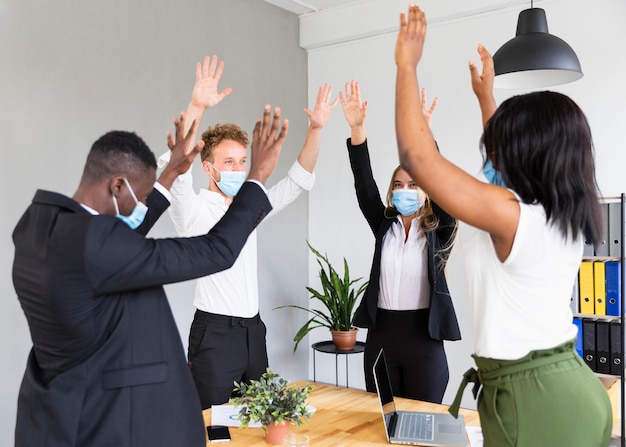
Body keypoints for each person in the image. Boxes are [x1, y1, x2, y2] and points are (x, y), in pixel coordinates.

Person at [11, 75, 289, 446]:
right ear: (117, 187)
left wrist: (171, 171)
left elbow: (121, 231)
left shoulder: (42, 225)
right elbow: (216, 251)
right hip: (106, 423)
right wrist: (256, 178)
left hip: (54, 414)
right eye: (140, 195)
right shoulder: (99, 248)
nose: (142, 207)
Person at [394, 5, 611, 447]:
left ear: (528, 154)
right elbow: (500, 161)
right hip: (556, 388)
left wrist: (406, 65)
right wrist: (485, 99)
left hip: (537, 400)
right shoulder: (550, 213)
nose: (492, 157)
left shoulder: (514, 217)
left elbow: (419, 159)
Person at [158, 55, 339, 408]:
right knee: (211, 427)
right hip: (213, 336)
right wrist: (196, 106)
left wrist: (316, 129)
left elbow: (296, 182)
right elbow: (175, 167)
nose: (240, 169)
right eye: (230, 163)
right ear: (208, 168)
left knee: (261, 422)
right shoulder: (192, 210)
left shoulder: (247, 210)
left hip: (253, 333)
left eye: (243, 161)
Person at [338, 80, 460, 403]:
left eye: (414, 184)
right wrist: (358, 130)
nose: (405, 190)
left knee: (423, 426)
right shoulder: (384, 225)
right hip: (382, 337)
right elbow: (364, 185)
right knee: (383, 424)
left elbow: (442, 183)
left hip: (424, 339)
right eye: (399, 184)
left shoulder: (439, 229)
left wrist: (424, 138)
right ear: (392, 192)